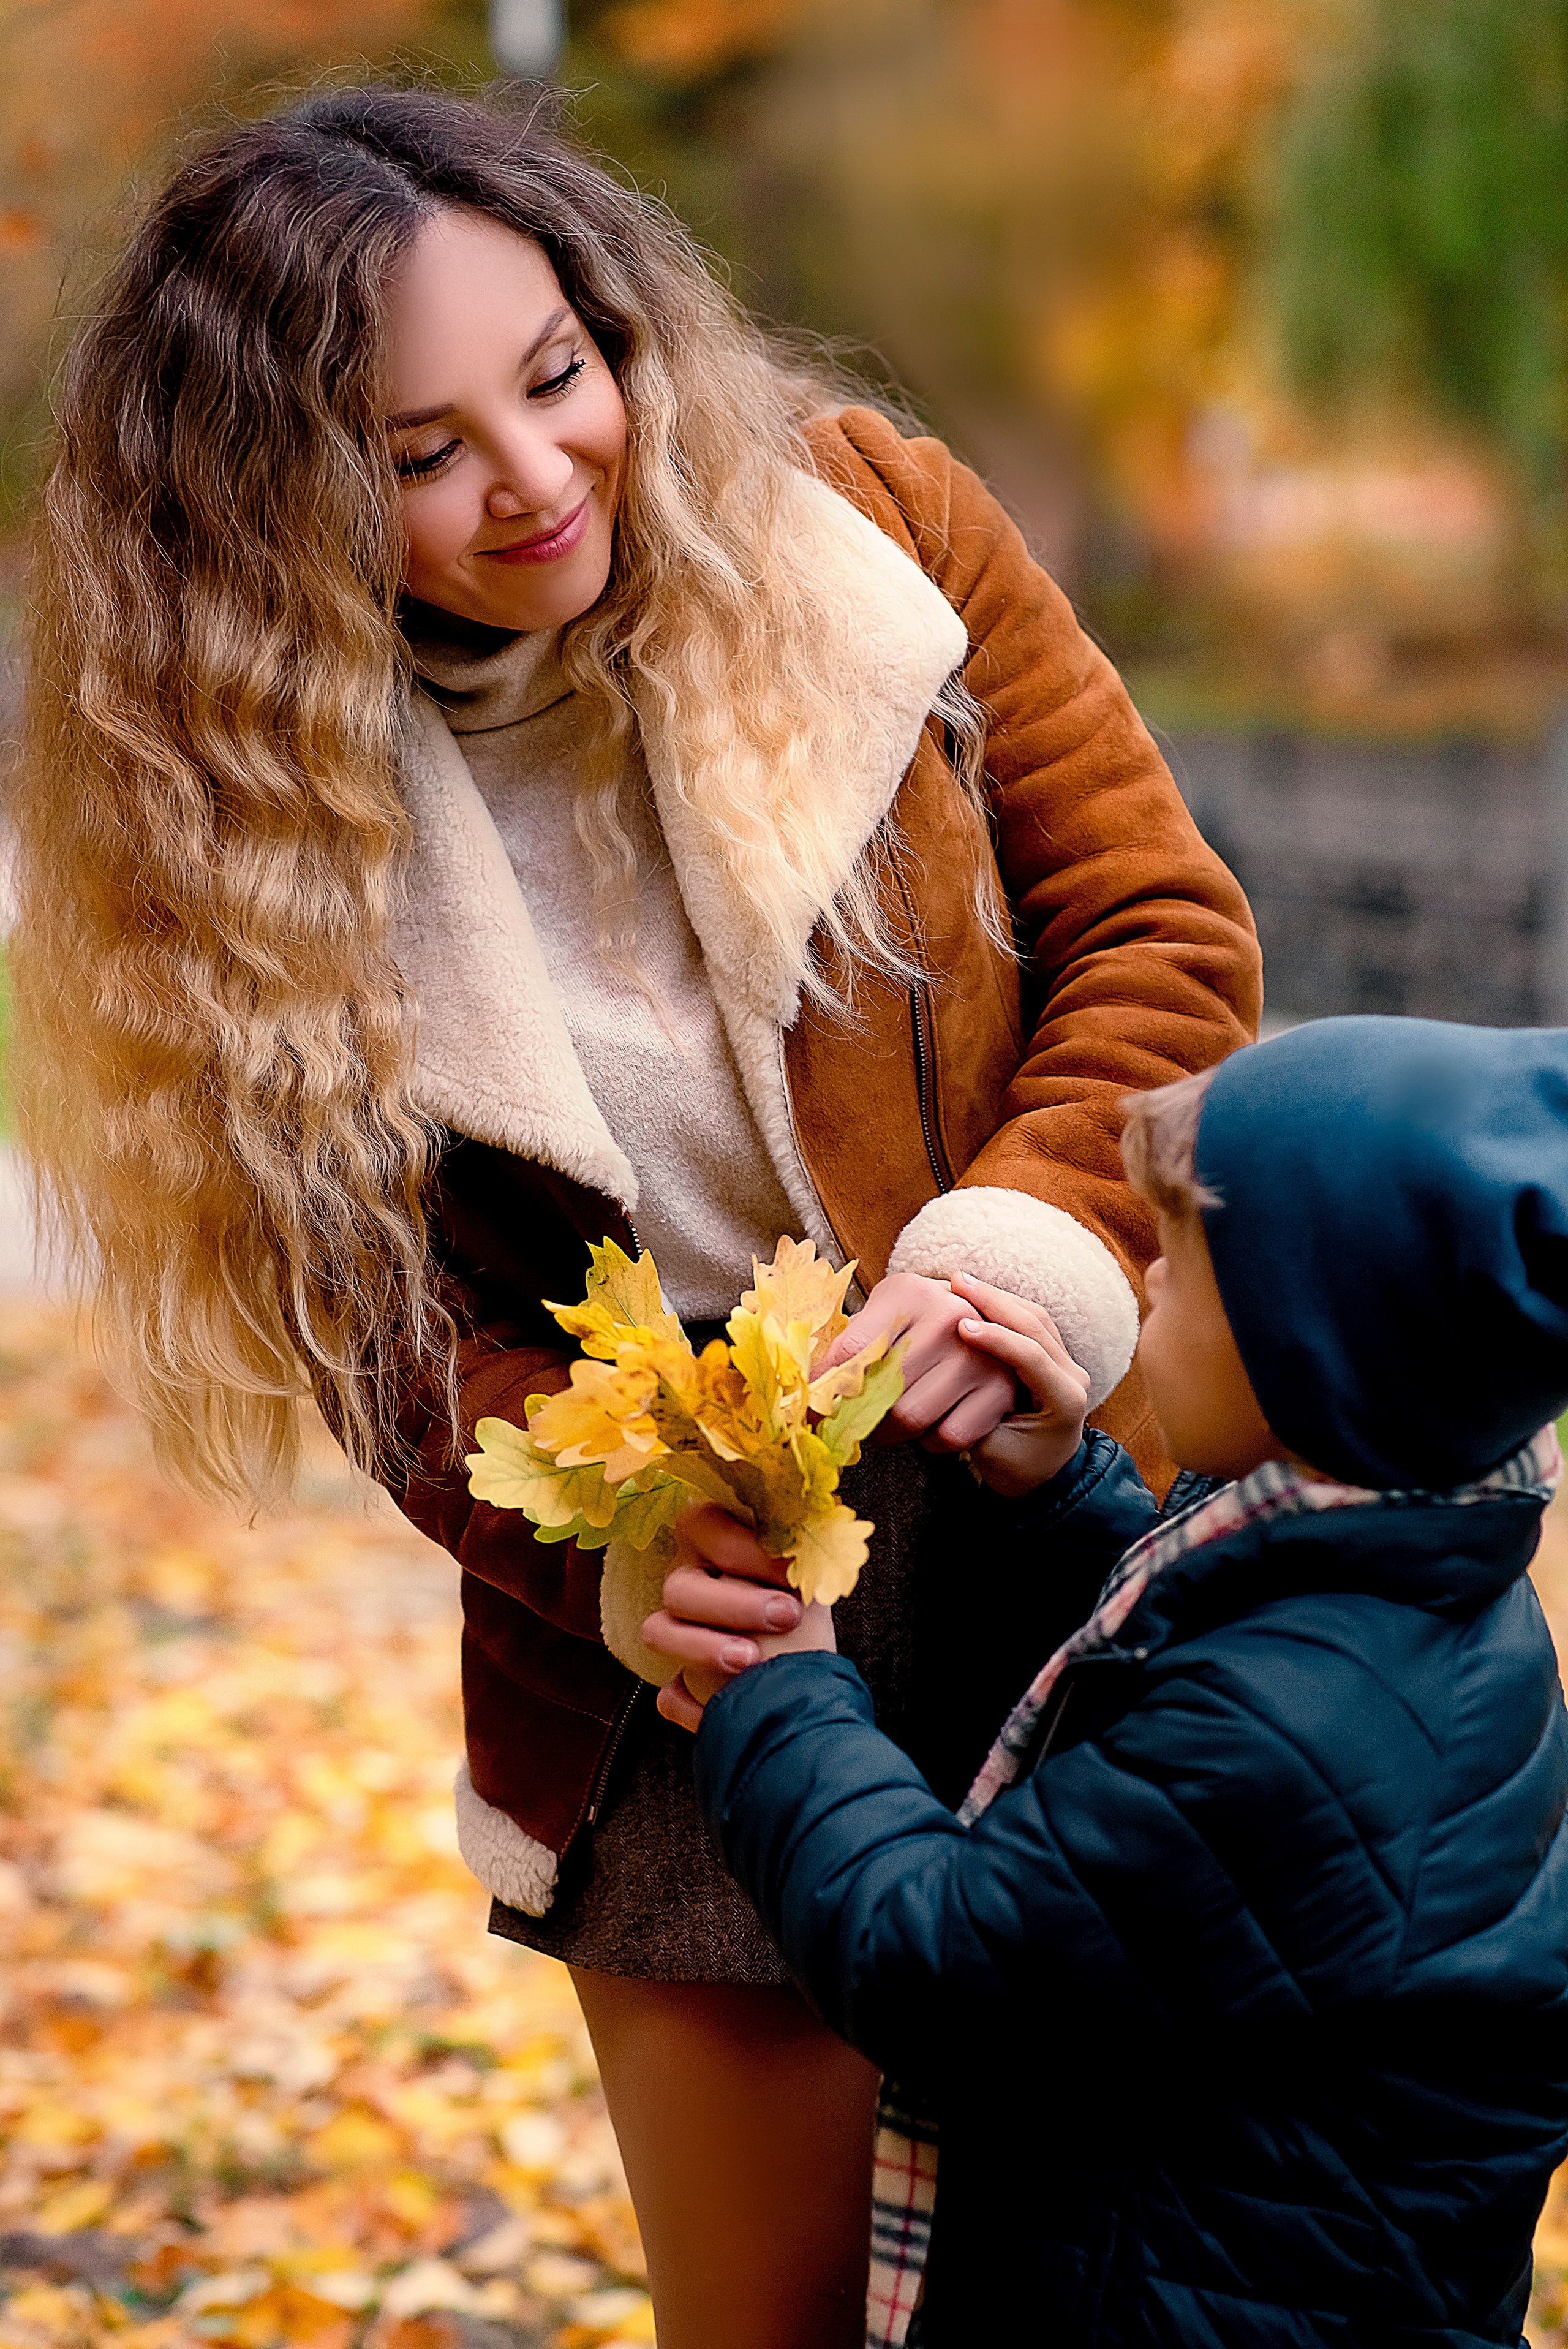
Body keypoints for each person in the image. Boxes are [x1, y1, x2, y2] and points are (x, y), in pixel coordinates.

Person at [8, 81, 1260, 2347]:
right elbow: (361, 1313)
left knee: (1161, 2286)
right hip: (693, 1676)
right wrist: (602, 1543)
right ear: (275, 511)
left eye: (557, 372)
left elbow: (1162, 934)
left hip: (1080, 1522)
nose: (537, 475)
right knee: (780, 2318)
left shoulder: (874, 532)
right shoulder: (239, 830)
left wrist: (1034, 1248)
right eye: (420, 453)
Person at [650, 1015, 1568, 2348]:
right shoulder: (1416, 1590)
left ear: (1309, 1350)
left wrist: (782, 1699)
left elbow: (938, 1967)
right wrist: (1056, 1501)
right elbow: (1180, 1707)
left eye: (1184, 1268)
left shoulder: (1289, 1725)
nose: (1144, 1284)